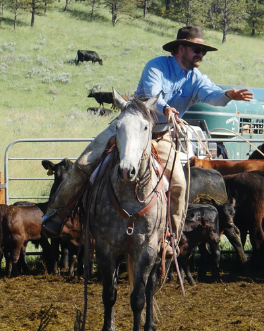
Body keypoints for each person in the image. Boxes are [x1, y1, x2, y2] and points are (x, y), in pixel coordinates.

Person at [41, 26, 253, 241]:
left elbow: (212, 93)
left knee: (179, 184)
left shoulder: (196, 78)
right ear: (181, 48)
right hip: (129, 128)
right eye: (196, 49)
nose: (201, 55)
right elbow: (152, 95)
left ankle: (172, 236)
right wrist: (166, 109)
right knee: (85, 164)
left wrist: (228, 94)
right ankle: (56, 215)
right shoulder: (157, 66)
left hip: (160, 135)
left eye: (203, 51)